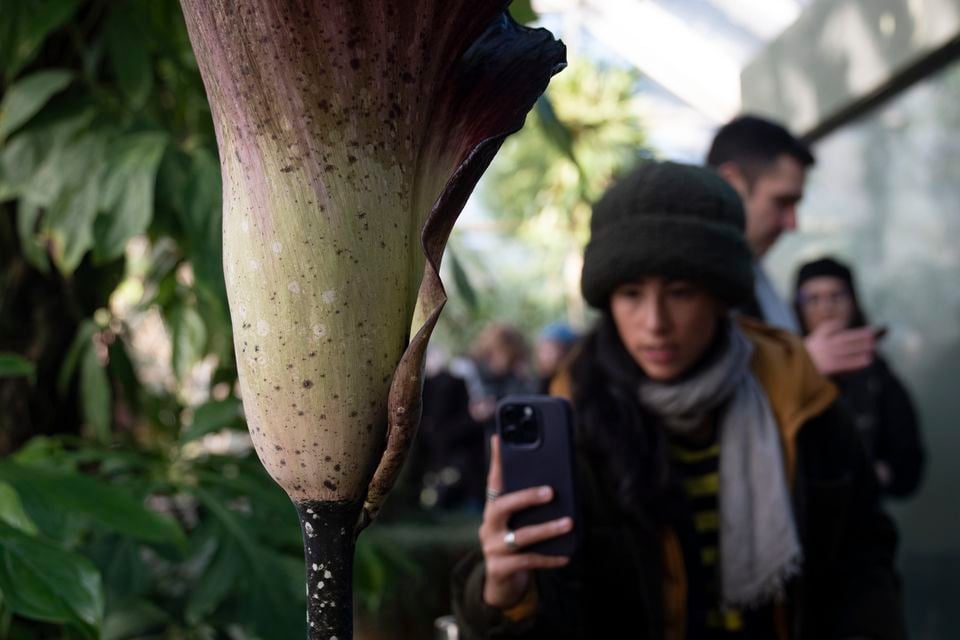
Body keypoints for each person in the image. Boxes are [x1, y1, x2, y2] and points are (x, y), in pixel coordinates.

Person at [451, 162, 904, 639]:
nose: (655, 323)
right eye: (630, 294)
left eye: (681, 292)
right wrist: (503, 594)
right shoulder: (573, 416)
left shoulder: (799, 393)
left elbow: (863, 562)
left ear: (720, 295)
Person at [706, 115, 878, 377]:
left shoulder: (753, 274)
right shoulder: (696, 279)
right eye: (782, 202)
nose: (792, 223)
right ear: (731, 183)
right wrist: (801, 367)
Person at [794, 257, 925, 498]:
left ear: (853, 301)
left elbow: (908, 462)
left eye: (836, 296)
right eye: (813, 299)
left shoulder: (877, 373)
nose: (826, 308)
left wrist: (871, 475)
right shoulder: (783, 372)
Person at [533, 322, 579, 394]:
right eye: (542, 350)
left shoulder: (574, 383)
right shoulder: (540, 382)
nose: (544, 356)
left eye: (549, 350)